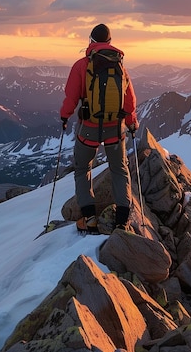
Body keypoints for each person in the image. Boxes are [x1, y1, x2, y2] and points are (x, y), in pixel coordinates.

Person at [60, 23, 139, 234]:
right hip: (115, 128)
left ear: (91, 41)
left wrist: (64, 116)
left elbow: (71, 97)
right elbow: (129, 100)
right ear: (110, 42)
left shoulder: (82, 65)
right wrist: (131, 122)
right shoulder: (120, 66)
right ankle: (122, 220)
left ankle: (90, 218)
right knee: (119, 169)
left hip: (89, 128)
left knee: (82, 168)